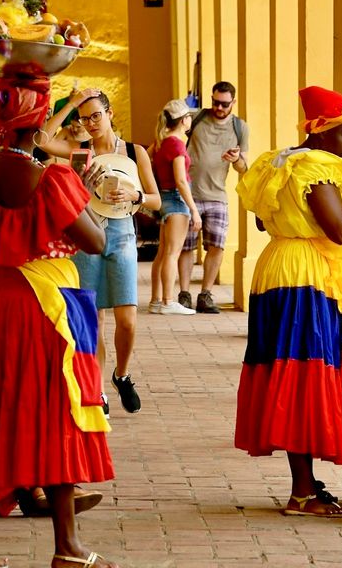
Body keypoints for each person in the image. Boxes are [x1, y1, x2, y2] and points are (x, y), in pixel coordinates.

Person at [0, 66, 119, 568]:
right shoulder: (53, 177)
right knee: (55, 414)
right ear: (41, 127)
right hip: (45, 307)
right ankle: (67, 546)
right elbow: (95, 243)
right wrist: (96, 199)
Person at [234, 85, 342, 517]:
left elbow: (263, 219)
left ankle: (306, 485)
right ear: (323, 132)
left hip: (280, 266)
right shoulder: (315, 167)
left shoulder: (279, 162)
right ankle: (302, 493)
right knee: (305, 377)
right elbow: (341, 231)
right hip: (306, 277)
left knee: (293, 372)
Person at [39, 87, 161, 415]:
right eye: (85, 117)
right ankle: (98, 391)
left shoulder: (135, 153)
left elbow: (156, 200)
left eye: (96, 115)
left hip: (121, 235)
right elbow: (42, 139)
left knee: (128, 319)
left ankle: (122, 374)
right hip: (89, 234)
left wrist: (135, 197)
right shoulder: (80, 152)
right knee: (94, 320)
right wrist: (72, 104)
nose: (91, 123)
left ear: (110, 114)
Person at [177, 81, 249, 313]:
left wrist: (236, 158)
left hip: (218, 195)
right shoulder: (195, 118)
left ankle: (205, 295)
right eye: (215, 102)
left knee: (216, 245)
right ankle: (184, 294)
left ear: (233, 103)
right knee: (186, 246)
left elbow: (244, 167)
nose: (219, 107)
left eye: (224, 104)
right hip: (188, 192)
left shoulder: (239, 127)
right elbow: (175, 138)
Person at [148, 100, 201, 315]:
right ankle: (168, 301)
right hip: (177, 199)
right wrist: (194, 210)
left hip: (164, 198)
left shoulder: (161, 141)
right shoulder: (177, 145)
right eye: (189, 116)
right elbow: (180, 180)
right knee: (172, 253)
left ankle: (155, 300)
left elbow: (147, 157)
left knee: (162, 253)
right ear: (183, 120)